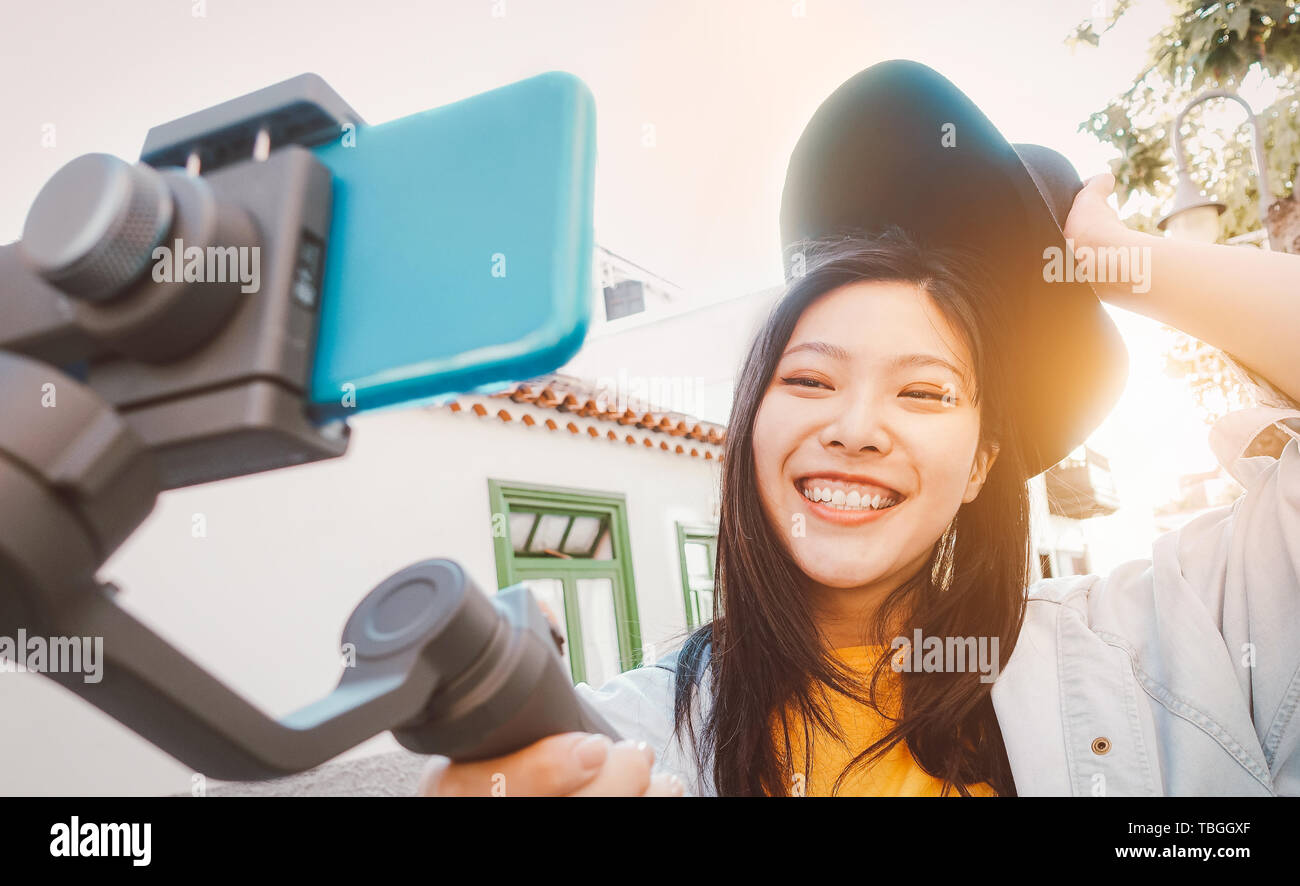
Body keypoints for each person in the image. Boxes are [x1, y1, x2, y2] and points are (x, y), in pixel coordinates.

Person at [421, 60, 1300, 797]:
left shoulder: (1155, 645)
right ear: (751, 426)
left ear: (981, 461)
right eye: (808, 379)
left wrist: (1116, 255)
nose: (855, 427)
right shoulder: (629, 737)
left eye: (922, 394)